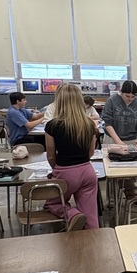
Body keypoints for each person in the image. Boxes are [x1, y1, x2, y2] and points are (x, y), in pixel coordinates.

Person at [43, 83, 99, 231]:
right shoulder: (89, 124)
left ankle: (73, 215)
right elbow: (91, 152)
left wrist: (56, 170)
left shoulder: (52, 125)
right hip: (88, 171)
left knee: (53, 203)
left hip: (65, 172)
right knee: (91, 214)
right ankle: (95, 240)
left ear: (59, 101)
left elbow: (51, 155)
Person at [102, 80, 137, 150]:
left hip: (131, 140)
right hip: (112, 139)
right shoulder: (111, 101)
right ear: (121, 92)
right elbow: (108, 123)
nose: (130, 99)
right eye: (127, 96)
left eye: (133, 96)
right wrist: (118, 141)